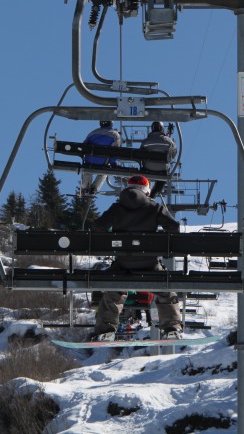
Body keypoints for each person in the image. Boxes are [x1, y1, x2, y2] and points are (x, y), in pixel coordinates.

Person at [90, 175, 183, 341]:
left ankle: (105, 329)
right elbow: (173, 227)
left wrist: (112, 239)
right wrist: (162, 244)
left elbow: (98, 226)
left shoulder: (117, 208)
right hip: (149, 264)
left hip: (122, 264)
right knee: (166, 291)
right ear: (147, 190)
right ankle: (171, 327)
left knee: (113, 292)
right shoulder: (154, 207)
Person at [80, 120, 121, 195]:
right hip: (102, 162)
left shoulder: (93, 132)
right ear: (111, 124)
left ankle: (85, 187)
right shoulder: (115, 135)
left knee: (88, 170)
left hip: (89, 160)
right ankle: (94, 189)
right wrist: (113, 163)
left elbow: (84, 146)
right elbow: (114, 151)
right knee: (104, 172)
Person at [139, 121, 177, 198]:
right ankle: (154, 193)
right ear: (162, 129)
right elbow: (174, 153)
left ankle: (144, 190)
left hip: (147, 168)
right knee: (162, 179)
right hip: (162, 169)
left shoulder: (145, 141)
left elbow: (140, 154)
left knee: (144, 171)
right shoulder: (169, 141)